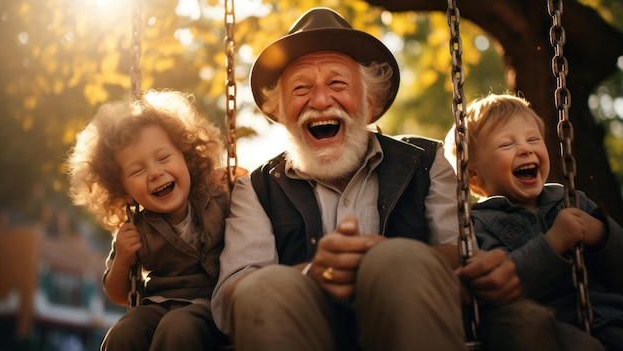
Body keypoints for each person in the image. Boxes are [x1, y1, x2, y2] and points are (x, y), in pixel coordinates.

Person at [211, 7, 561, 351]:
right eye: (300, 89)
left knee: (396, 260)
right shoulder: (256, 188)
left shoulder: (425, 161)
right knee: (265, 286)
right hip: (310, 329)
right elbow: (231, 299)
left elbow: (463, 255)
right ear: (280, 110)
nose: (320, 100)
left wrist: (385, 258)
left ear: (371, 101)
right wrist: (311, 274)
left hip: (413, 319)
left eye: (337, 83)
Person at [445, 92, 623, 350]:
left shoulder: (573, 200)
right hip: (553, 326)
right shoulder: (477, 225)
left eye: (532, 139)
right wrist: (552, 243)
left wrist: (600, 234)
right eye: (507, 144)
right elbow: (502, 285)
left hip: (611, 316)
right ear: (473, 175)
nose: (526, 148)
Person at [66, 90, 229, 350]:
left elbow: (248, 203)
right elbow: (119, 295)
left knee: (177, 328)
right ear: (123, 190)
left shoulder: (216, 196)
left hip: (210, 304)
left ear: (186, 157)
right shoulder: (136, 228)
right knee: (122, 334)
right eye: (137, 170)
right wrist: (122, 259)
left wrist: (236, 180)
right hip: (157, 305)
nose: (155, 173)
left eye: (163, 158)